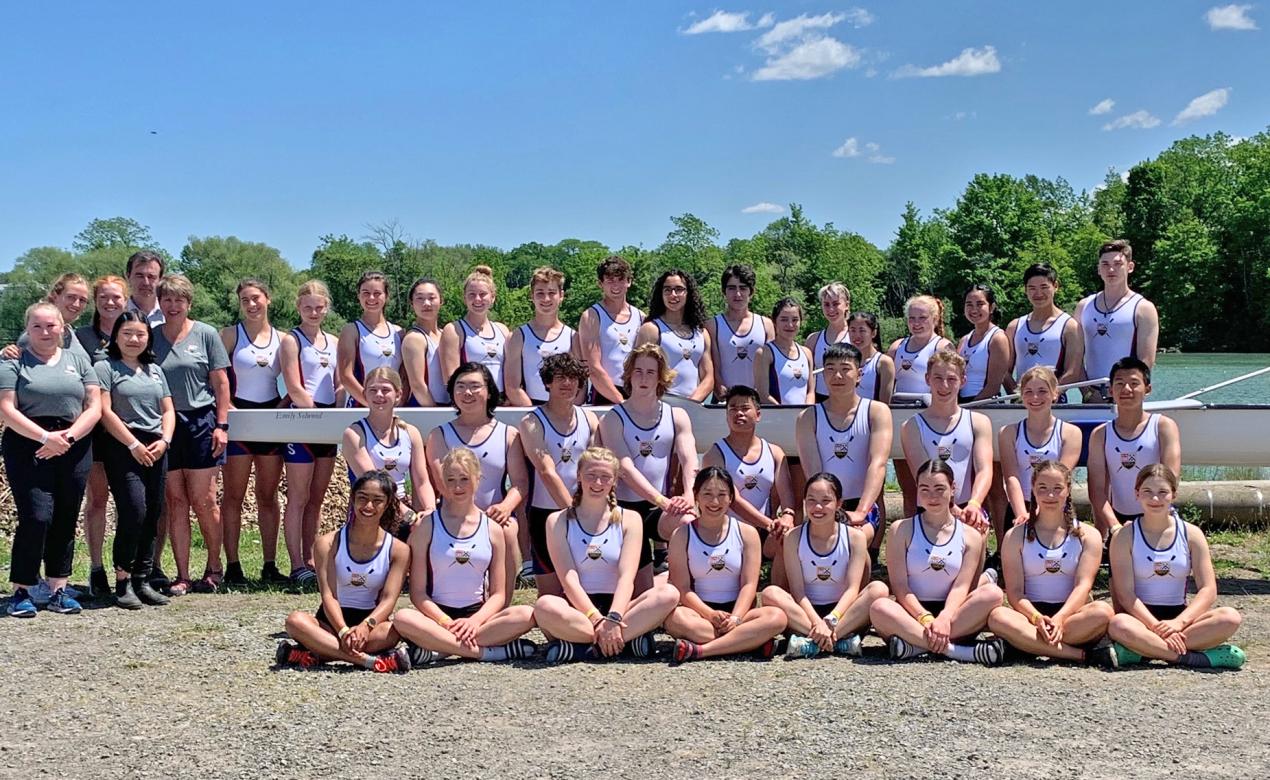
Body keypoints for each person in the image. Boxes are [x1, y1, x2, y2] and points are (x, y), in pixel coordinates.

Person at [532, 448, 680, 663]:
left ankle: (584, 649)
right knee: (544, 606)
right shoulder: (557, 521)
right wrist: (595, 618)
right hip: (580, 610)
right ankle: (623, 642)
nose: (597, 483)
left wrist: (613, 618)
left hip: (621, 608)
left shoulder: (630, 519)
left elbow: (626, 577)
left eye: (605, 477)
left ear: (614, 482)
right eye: (591, 475)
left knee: (668, 594)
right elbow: (568, 577)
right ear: (579, 476)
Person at [1, 302, 101, 617]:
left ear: (62, 328)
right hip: (28, 443)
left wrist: (67, 438)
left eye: (51, 326)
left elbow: (94, 406)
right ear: (27, 329)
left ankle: (59, 588)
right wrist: (46, 439)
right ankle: (22, 589)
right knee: (37, 515)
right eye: (37, 327)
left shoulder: (79, 360)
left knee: (66, 515)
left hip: (74, 442)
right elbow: (6, 409)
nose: (45, 332)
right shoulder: (12, 362)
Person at [392, 448, 538, 664]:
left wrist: (475, 622)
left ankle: (439, 649)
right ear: (442, 482)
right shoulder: (427, 526)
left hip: (479, 618)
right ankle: (486, 653)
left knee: (526, 614)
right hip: (437, 617)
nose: (457, 487)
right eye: (450, 480)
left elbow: (498, 594)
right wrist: (445, 622)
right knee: (403, 618)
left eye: (464, 479)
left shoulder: (492, 529)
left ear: (478, 479)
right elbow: (418, 594)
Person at [1107, 465, 1245, 669]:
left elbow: (1208, 590)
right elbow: (1125, 595)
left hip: (1181, 620)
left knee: (1230, 617)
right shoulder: (1123, 537)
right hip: (1141, 620)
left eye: (1162, 492)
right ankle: (1194, 658)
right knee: (1118, 624)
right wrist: (1155, 626)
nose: (1155, 499)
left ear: (1174, 494)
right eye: (1148, 492)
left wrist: (1177, 624)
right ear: (1137, 494)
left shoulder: (1192, 534)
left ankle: (1143, 651)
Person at [870, 460, 1005, 665]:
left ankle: (915, 646)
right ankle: (954, 650)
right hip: (912, 613)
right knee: (879, 607)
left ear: (953, 489)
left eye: (939, 489)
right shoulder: (901, 530)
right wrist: (925, 618)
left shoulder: (970, 536)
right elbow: (900, 586)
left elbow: (962, 586)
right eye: (925, 489)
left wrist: (944, 617)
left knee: (993, 594)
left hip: (955, 614)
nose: (932, 496)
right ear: (917, 490)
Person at [277, 471, 412, 673]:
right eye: (362, 498)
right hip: (331, 623)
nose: (368, 506)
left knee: (394, 631)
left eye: (377, 501)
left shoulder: (399, 550)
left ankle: (313, 653)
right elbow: (329, 595)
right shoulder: (327, 543)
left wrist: (366, 627)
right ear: (352, 499)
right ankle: (369, 661)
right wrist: (342, 631)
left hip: (371, 626)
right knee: (295, 621)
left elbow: (388, 600)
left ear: (387, 504)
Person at [987, 461, 1116, 666]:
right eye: (1043, 489)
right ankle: (1078, 654)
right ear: (1033, 490)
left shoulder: (1088, 535)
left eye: (1057, 489)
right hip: (1030, 616)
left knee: (1103, 612)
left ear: (1068, 490)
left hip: (1071, 616)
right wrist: (1037, 619)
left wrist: (1060, 619)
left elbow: (1083, 586)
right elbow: (1015, 592)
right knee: (997, 616)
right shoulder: (1015, 536)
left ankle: (1026, 645)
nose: (1050, 496)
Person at [151, 275, 230, 596]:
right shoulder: (151, 337)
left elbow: (222, 384)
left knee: (205, 499)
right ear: (160, 303)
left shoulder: (206, 334)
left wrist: (221, 426)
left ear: (189, 303)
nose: (173, 306)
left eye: (179, 300)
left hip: (201, 422)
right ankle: (182, 574)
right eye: (167, 300)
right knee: (176, 501)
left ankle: (214, 567)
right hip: (164, 425)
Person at [94, 311, 176, 609]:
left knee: (154, 511)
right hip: (122, 445)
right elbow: (104, 411)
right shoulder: (105, 367)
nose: (134, 339)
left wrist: (164, 441)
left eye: (140, 334)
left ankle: (143, 578)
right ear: (116, 335)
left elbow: (168, 410)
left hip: (156, 444)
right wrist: (131, 444)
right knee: (134, 510)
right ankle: (123, 581)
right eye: (127, 333)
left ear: (148, 338)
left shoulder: (155, 370)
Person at [598, 344, 698, 587]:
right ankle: (659, 582)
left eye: (651, 372)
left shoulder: (677, 416)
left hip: (659, 509)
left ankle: (685, 584)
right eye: (638, 371)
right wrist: (662, 501)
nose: (643, 378)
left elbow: (689, 459)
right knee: (643, 591)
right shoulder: (613, 418)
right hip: (625, 510)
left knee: (688, 520)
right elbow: (626, 469)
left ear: (661, 377)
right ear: (629, 375)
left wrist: (688, 493)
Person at [663, 467, 787, 663]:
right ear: (696, 496)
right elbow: (683, 588)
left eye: (722, 495)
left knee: (777, 617)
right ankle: (748, 642)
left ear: (731, 498)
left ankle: (702, 650)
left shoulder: (747, 533)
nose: (714, 502)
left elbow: (749, 584)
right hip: (701, 613)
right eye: (707, 494)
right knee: (675, 619)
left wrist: (736, 618)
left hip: (740, 613)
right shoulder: (682, 535)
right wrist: (710, 614)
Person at [426, 362, 526, 602]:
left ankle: (501, 606)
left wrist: (505, 507)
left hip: (495, 515)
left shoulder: (508, 434)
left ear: (489, 391)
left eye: (474, 386)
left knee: (509, 530)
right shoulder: (439, 435)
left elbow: (520, 482)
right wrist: (471, 515)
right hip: (453, 515)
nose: (467, 393)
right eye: (460, 387)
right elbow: (443, 483)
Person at [761, 473, 888, 658]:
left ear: (838, 503)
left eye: (826, 500)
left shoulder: (855, 538)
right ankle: (837, 641)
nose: (818, 507)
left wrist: (832, 619)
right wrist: (817, 623)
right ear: (804, 502)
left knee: (879, 589)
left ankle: (815, 642)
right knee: (770, 593)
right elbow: (798, 591)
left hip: (842, 614)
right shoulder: (793, 537)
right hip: (805, 612)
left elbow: (853, 589)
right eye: (811, 500)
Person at [795, 344, 892, 559]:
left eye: (845, 368)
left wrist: (861, 511)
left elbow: (878, 463)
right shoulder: (808, 417)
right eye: (830, 369)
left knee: (851, 542)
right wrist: (828, 511)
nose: (837, 375)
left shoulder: (876, 412)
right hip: (825, 504)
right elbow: (814, 473)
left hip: (862, 505)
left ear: (859, 374)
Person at [220, 279, 286, 586]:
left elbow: (299, 379)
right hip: (239, 419)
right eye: (245, 300)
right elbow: (217, 377)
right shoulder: (230, 335)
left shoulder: (283, 339)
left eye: (256, 298)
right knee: (233, 496)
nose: (251, 304)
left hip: (270, 419)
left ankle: (270, 565)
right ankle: (233, 565)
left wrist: (284, 406)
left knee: (268, 496)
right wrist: (228, 406)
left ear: (268, 300)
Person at [518, 354, 600, 596]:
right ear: (547, 383)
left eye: (573, 378)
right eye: (560, 378)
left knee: (587, 583)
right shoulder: (532, 421)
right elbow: (546, 471)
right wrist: (573, 513)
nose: (567, 383)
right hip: (546, 512)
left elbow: (597, 466)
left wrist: (590, 510)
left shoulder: (589, 418)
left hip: (585, 511)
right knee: (551, 593)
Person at [279, 280, 341, 587]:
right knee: (298, 497)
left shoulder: (334, 341)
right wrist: (316, 413)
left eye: (319, 307)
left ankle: (312, 559)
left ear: (326, 308)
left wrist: (341, 409)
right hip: (303, 422)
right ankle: (295, 564)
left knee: (317, 498)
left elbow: (340, 383)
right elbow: (293, 385)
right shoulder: (292, 340)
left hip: (327, 424)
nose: (313, 312)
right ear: (298, 308)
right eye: (307, 307)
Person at [702, 386, 795, 585]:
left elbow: (787, 494)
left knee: (787, 536)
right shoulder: (715, 454)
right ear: (726, 416)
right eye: (733, 409)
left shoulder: (775, 452)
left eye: (745, 408)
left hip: (765, 530)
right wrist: (768, 523)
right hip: (730, 532)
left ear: (758, 414)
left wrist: (787, 516)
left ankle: (779, 592)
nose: (739, 413)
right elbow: (733, 500)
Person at [899, 351, 994, 547]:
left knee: (976, 538)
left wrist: (974, 504)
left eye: (951, 379)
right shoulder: (912, 426)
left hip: (968, 508)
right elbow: (922, 474)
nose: (944, 386)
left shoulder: (978, 422)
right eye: (938, 378)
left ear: (963, 381)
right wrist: (951, 510)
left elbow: (985, 469)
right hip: (929, 510)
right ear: (927, 379)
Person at [76, 275, 131, 596]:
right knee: (97, 499)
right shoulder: (79, 336)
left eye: (117, 298)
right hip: (94, 428)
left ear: (126, 300)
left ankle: (131, 570)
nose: (111, 304)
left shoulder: (138, 332)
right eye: (104, 298)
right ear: (95, 301)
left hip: (128, 429)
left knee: (131, 502)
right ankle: (96, 568)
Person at [1087, 356, 1181, 538]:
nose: (1126, 389)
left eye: (1134, 383)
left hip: (1158, 514)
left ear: (1148, 389)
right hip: (1118, 519)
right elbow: (1096, 490)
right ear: (1111, 390)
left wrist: (1150, 521)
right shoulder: (1100, 435)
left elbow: (1171, 478)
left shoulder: (1164, 426)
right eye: (1120, 383)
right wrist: (1114, 527)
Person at [342, 367, 435, 529]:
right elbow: (376, 484)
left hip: (403, 510)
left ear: (398, 395)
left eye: (385, 390)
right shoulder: (354, 434)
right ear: (364, 395)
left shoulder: (411, 433)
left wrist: (429, 510)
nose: (379, 395)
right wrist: (408, 515)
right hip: (369, 511)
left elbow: (422, 481)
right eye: (373, 390)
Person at [1076, 239, 1159, 401]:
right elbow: (1074, 358)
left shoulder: (1143, 308)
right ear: (1099, 269)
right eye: (1105, 264)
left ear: (1130, 267)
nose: (1111, 269)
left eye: (1118, 264)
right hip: (1092, 395)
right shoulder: (1083, 306)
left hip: (1126, 395)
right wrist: (1088, 393)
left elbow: (1146, 360)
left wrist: (1124, 392)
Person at [998, 366, 1082, 525]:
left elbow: (1061, 478)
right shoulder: (1008, 433)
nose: (1035, 397)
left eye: (1042, 391)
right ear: (1021, 396)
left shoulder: (1071, 433)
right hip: (1020, 508)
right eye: (1028, 392)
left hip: (1055, 506)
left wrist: (1038, 514)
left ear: (1055, 393)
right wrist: (1022, 515)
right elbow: (1011, 477)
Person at [505, 267, 579, 407]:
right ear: (531, 296)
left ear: (561, 295)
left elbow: (581, 384)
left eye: (552, 293)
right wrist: (537, 414)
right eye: (540, 293)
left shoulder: (573, 337)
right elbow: (512, 387)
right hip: (531, 408)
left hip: (565, 409)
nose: (546, 299)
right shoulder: (519, 336)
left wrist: (564, 411)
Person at [635, 269, 713, 401]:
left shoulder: (701, 333)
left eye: (679, 289)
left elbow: (708, 377)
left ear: (688, 293)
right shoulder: (651, 330)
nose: (673, 295)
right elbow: (639, 374)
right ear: (661, 294)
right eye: (667, 290)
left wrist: (692, 403)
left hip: (693, 406)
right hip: (659, 406)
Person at [1004, 263, 1082, 390]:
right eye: (1032, 288)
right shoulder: (1014, 326)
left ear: (1055, 286)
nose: (1038, 293)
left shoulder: (1069, 326)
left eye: (1044, 287)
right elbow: (1005, 372)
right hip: (1020, 403)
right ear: (1025, 290)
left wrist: (1048, 395)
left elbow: (1073, 373)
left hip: (1056, 403)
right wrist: (1020, 395)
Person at [577, 255, 643, 405]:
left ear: (629, 282)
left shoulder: (641, 317)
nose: (616, 285)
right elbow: (593, 367)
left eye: (620, 279)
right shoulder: (591, 316)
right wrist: (621, 402)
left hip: (636, 392)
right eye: (610, 280)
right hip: (604, 393)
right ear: (600, 284)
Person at [439, 265, 510, 398]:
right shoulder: (454, 330)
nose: (477, 299)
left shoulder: (502, 330)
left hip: (501, 402)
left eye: (483, 294)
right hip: (471, 401)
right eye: (472, 295)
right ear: (464, 298)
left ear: (493, 297)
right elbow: (451, 379)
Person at [337, 271, 403, 408]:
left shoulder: (399, 332)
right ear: (358, 296)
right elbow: (345, 376)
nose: (371, 298)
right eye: (365, 293)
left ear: (387, 296)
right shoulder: (351, 331)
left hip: (392, 408)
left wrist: (396, 403)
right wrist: (373, 405)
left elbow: (404, 375)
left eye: (377, 293)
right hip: (360, 406)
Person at [707, 265, 773, 400]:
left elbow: (772, 367)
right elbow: (712, 365)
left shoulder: (766, 324)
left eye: (743, 288)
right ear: (723, 292)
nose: (737, 294)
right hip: (725, 401)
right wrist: (721, 390)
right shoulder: (712, 325)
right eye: (731, 288)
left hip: (759, 401)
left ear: (752, 292)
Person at [888, 294, 952, 399]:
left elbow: (948, 386)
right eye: (912, 318)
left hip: (928, 410)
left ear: (935, 319)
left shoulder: (942, 347)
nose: (916, 323)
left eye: (922, 318)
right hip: (897, 409)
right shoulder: (896, 347)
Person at [752, 297, 813, 405]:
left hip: (803, 418)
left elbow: (810, 392)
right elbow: (763, 395)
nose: (790, 325)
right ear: (774, 321)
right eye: (784, 319)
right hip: (776, 418)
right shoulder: (764, 353)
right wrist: (784, 414)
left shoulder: (806, 353)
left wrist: (806, 412)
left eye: (795, 320)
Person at [400, 277, 448, 406]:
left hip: (448, 407)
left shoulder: (446, 335)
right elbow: (417, 385)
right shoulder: (414, 339)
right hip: (424, 407)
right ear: (412, 304)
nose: (426, 303)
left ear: (441, 301)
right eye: (420, 298)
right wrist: (434, 412)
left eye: (432, 298)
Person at [957, 285, 1009, 402]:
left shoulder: (997, 339)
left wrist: (970, 408)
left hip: (986, 404)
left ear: (991, 307)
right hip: (962, 404)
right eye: (969, 304)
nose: (974, 309)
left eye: (980, 304)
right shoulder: (964, 340)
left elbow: (993, 386)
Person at [805, 282, 851, 402]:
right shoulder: (813, 339)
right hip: (821, 400)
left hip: (849, 401)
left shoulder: (855, 337)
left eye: (836, 304)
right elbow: (808, 378)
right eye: (826, 304)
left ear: (846, 305)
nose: (831, 309)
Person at [846, 311, 894, 403]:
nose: (857, 336)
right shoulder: (845, 360)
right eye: (852, 330)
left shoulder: (884, 362)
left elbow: (884, 403)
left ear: (873, 333)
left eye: (862, 330)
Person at [124, 250, 166, 326]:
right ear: (128, 276)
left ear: (161, 279)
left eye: (151, 277)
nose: (146, 283)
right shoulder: (116, 313)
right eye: (139, 276)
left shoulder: (170, 314)